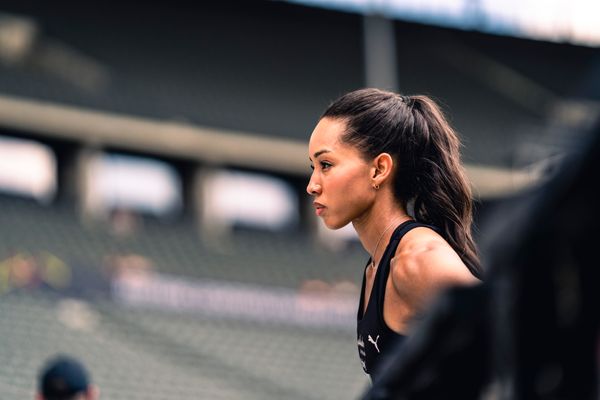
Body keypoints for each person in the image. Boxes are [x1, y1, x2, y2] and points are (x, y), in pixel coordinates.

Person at [306, 88, 483, 379]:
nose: (312, 185)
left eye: (326, 165)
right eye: (313, 167)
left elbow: (516, 336)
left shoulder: (418, 260)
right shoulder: (377, 266)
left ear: (379, 169)